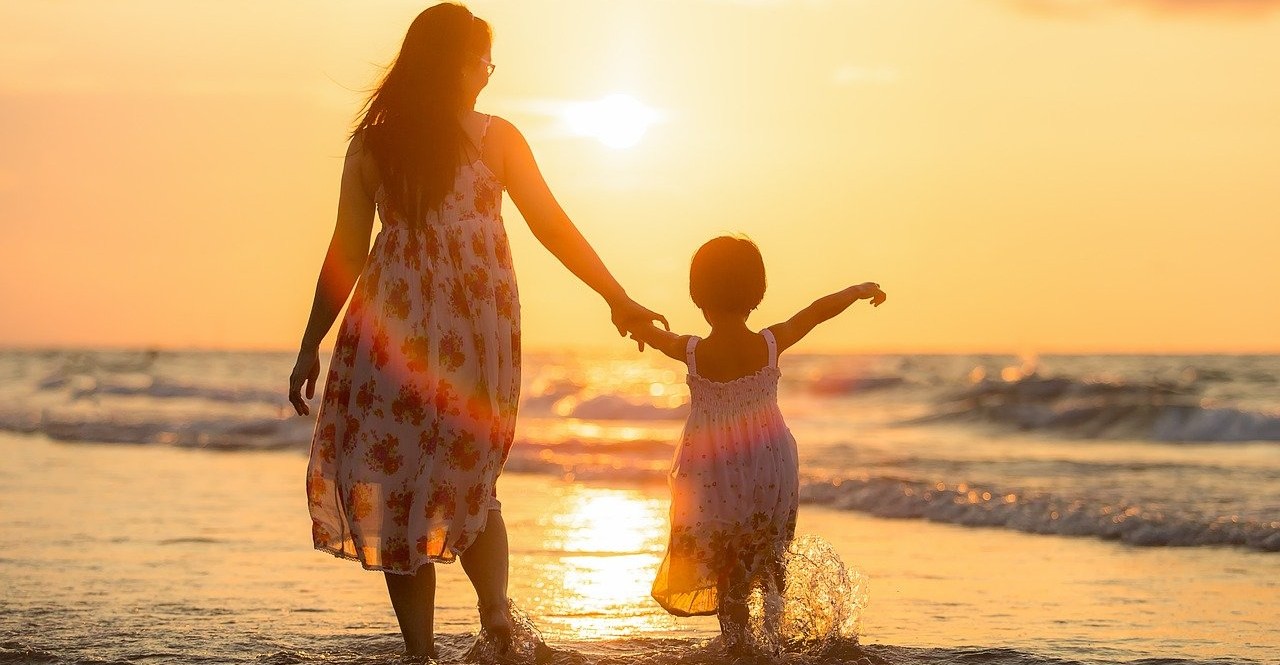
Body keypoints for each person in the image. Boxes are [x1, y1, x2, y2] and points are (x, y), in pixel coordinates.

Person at [286, 3, 666, 658]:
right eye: (484, 59)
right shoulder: (494, 137)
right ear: (459, 63)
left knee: (399, 484)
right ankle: (495, 620)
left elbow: (346, 251)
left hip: (391, 336)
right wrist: (616, 296)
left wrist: (310, 343)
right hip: (472, 334)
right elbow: (551, 224)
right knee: (470, 477)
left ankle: (423, 650)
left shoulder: (375, 142)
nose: (489, 72)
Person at [627, 236, 885, 649]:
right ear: (757, 293)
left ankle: (739, 644)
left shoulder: (692, 350)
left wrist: (630, 321)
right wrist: (857, 291)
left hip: (713, 471)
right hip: (770, 464)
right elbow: (816, 312)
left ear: (698, 296)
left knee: (727, 564)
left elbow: (656, 336)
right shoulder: (769, 343)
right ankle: (773, 640)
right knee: (769, 555)